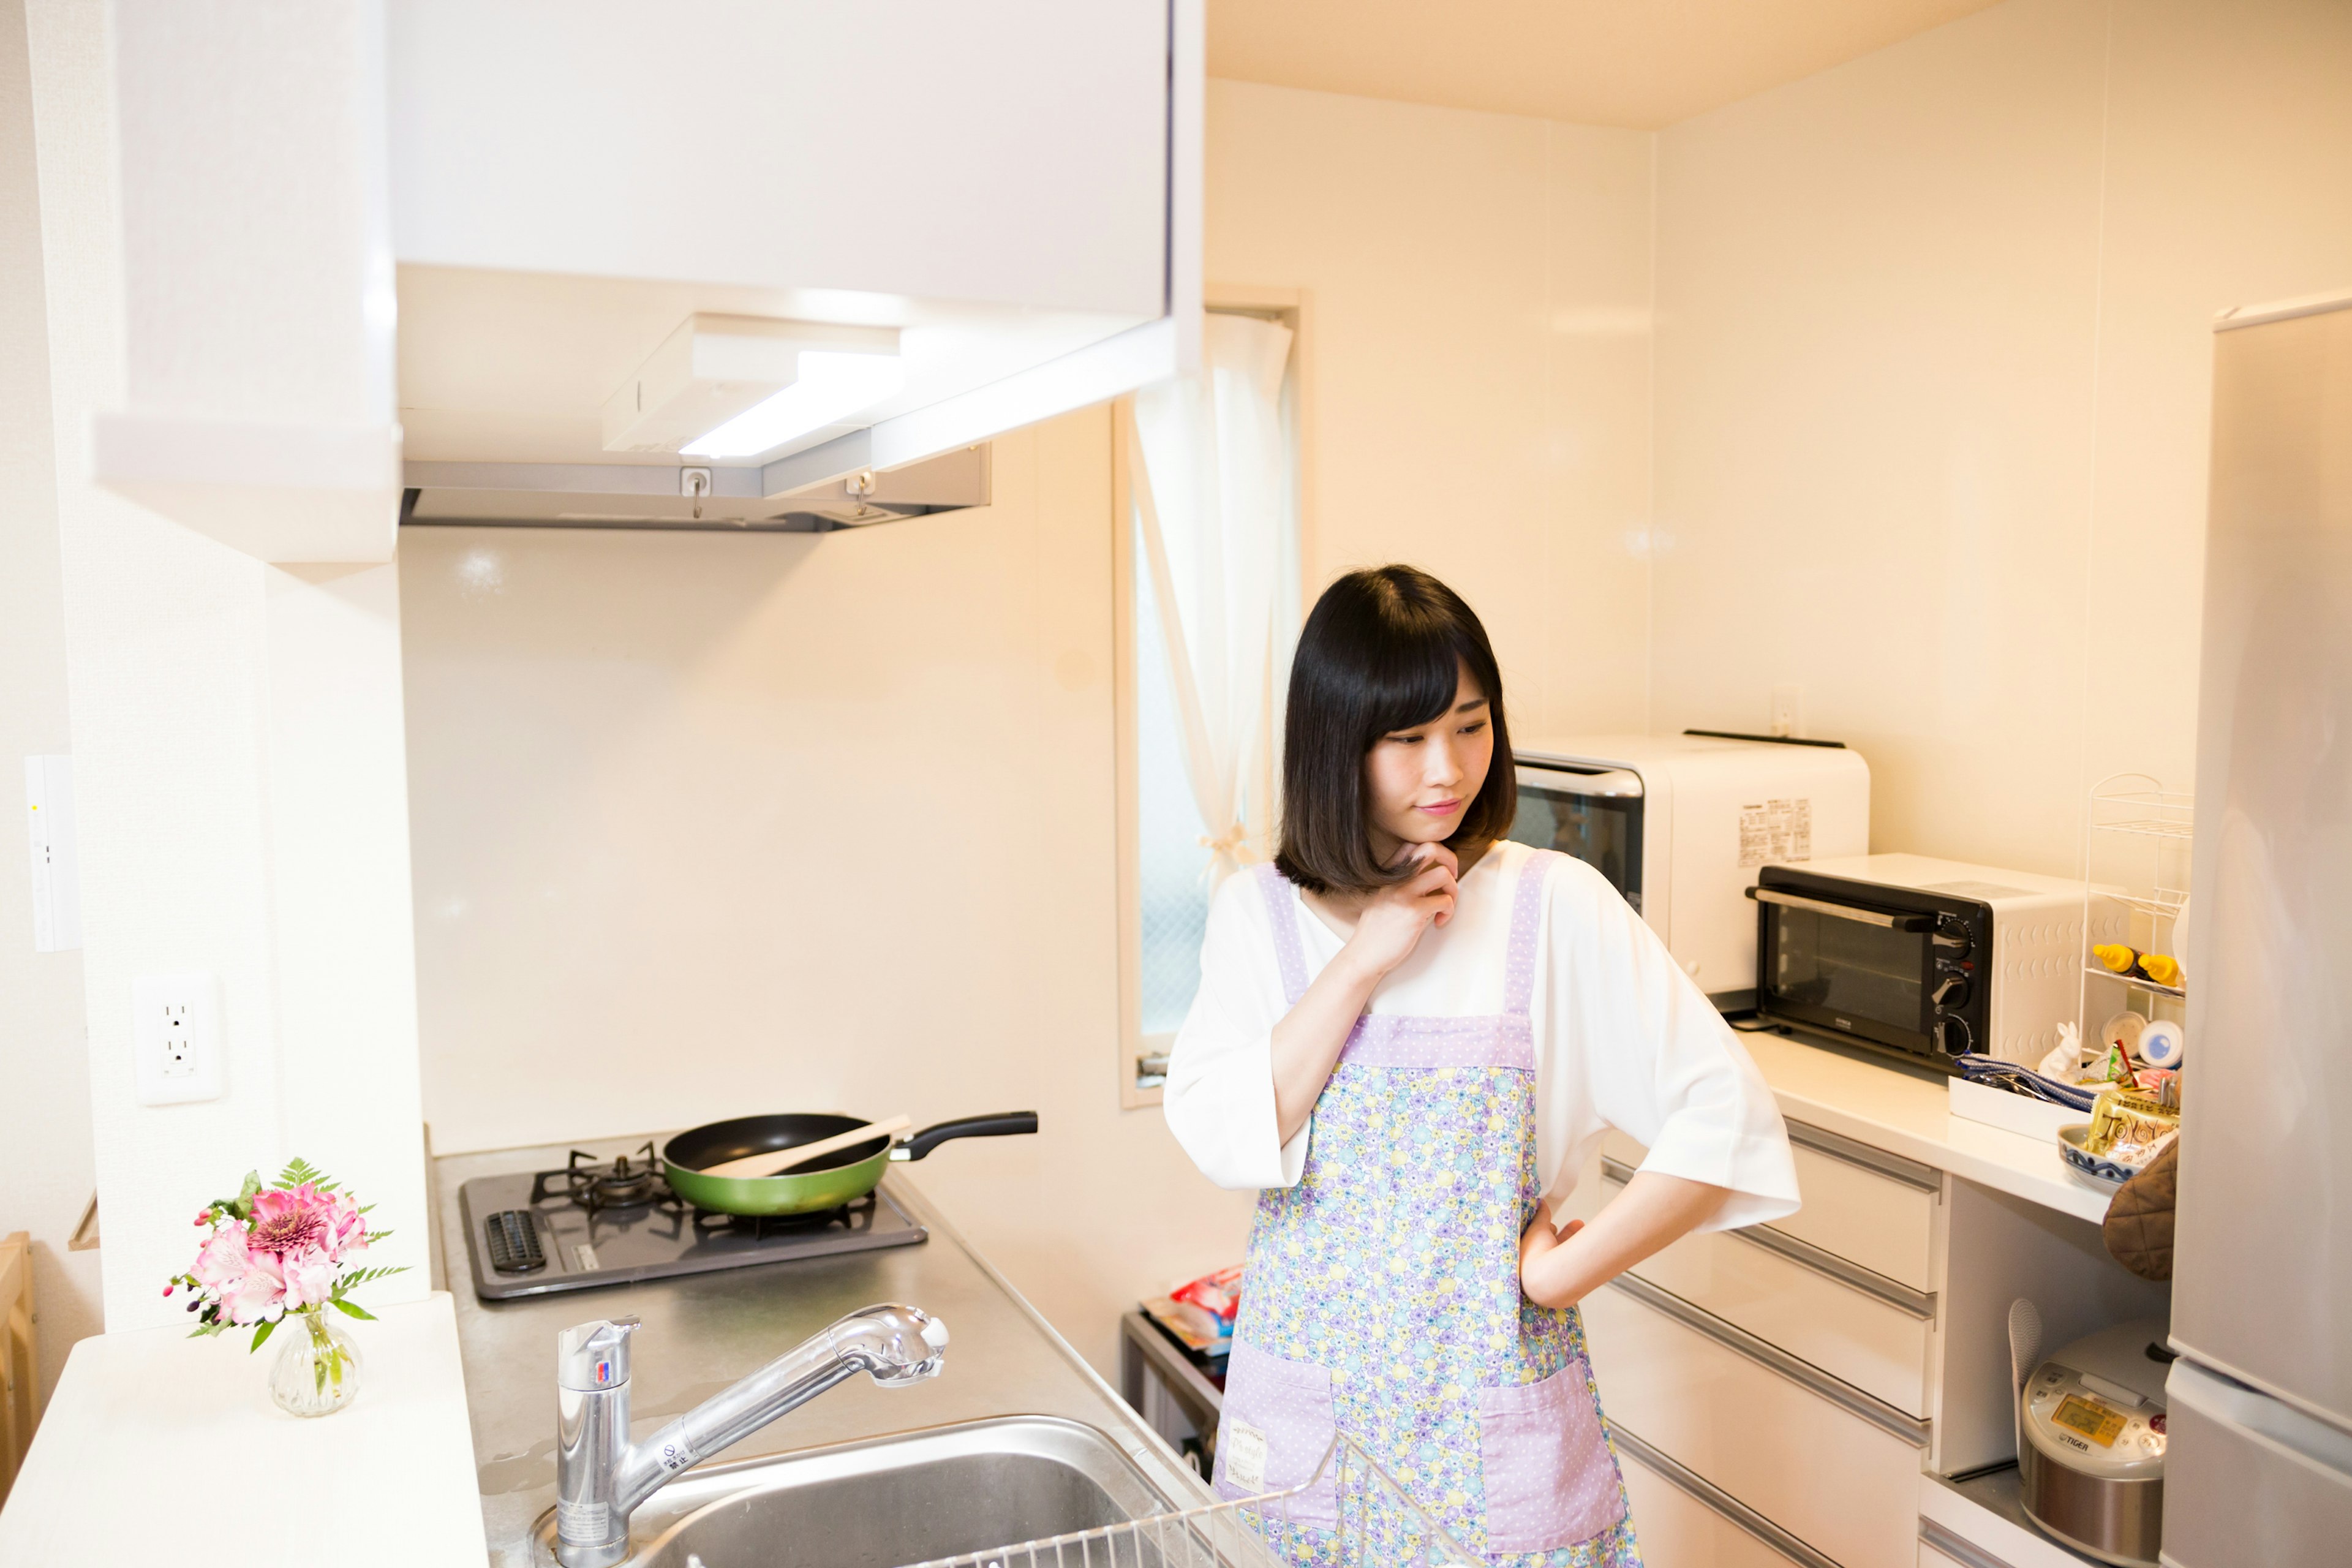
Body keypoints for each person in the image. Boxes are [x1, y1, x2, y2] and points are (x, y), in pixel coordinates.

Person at [1165, 565, 1800, 1567]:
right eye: (1406, 738)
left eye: (1469, 724)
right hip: (1308, 1442)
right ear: (1337, 744)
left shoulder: (1554, 906)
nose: (1446, 769)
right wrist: (1369, 954)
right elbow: (1225, 1130)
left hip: (1498, 1437)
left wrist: (1561, 1273)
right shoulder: (1261, 916)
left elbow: (1728, 1116)